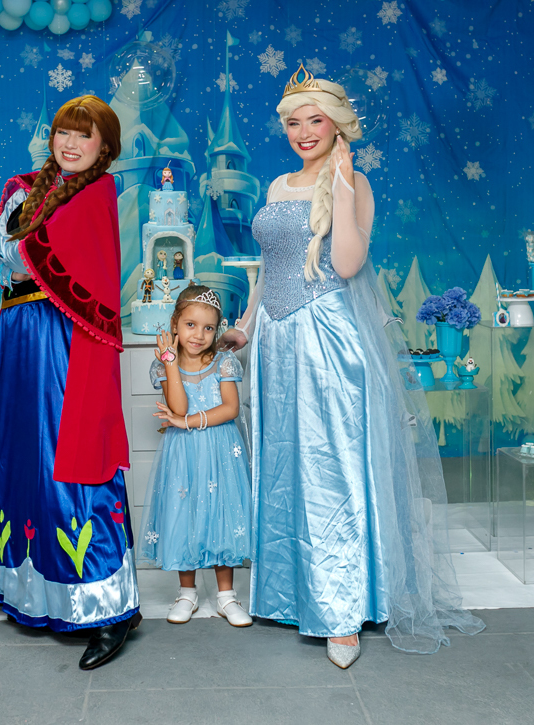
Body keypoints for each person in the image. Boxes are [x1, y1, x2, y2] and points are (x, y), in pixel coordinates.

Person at [219, 64, 483, 667]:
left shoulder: (353, 183)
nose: (303, 132)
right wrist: (246, 327)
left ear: (337, 125)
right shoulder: (276, 184)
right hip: (276, 342)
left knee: (331, 464)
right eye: (293, 123)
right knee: (284, 464)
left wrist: (340, 181)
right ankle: (290, 593)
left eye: (315, 121)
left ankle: (341, 609)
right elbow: (268, 270)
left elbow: (344, 265)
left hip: (327, 338)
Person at [0, 95, 139, 670]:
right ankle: (34, 592)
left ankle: (109, 609)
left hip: (64, 341)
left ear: (104, 147)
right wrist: (8, 250)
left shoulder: (97, 194)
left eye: (84, 135)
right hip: (17, 338)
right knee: (20, 459)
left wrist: (10, 249)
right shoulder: (27, 188)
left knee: (71, 460)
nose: (71, 143)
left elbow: (24, 256)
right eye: (64, 132)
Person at [140, 285, 252, 627]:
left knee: (222, 514)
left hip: (221, 451)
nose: (198, 335)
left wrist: (188, 422)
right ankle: (187, 592)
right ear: (175, 323)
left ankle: (226, 596)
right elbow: (178, 406)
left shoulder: (223, 362)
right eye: (190, 325)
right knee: (183, 514)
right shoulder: (164, 365)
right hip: (183, 454)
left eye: (208, 328)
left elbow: (230, 408)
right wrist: (171, 364)